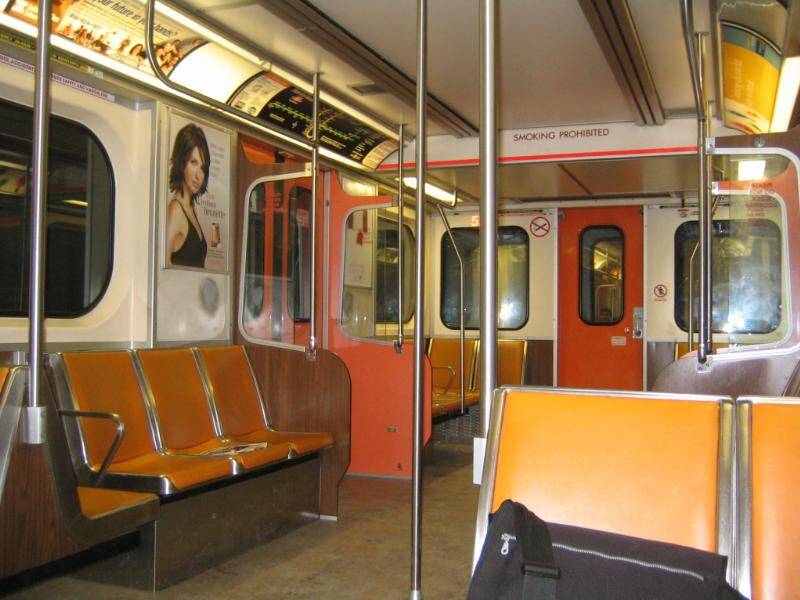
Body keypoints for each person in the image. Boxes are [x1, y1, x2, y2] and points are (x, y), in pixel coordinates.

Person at [166, 124, 210, 268]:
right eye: (193, 162)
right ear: (181, 161)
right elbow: (164, 266)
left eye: (202, 168)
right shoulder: (176, 210)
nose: (199, 175)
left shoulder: (190, 208)